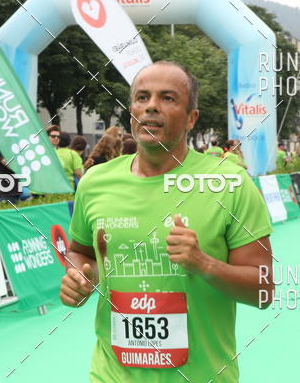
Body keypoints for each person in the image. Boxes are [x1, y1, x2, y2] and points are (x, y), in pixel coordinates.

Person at [60, 61, 274, 382]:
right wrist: (79, 277)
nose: (151, 107)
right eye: (142, 97)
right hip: (111, 375)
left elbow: (263, 290)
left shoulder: (230, 183)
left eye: (167, 98)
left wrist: (204, 263)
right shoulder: (95, 182)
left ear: (191, 118)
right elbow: (80, 252)